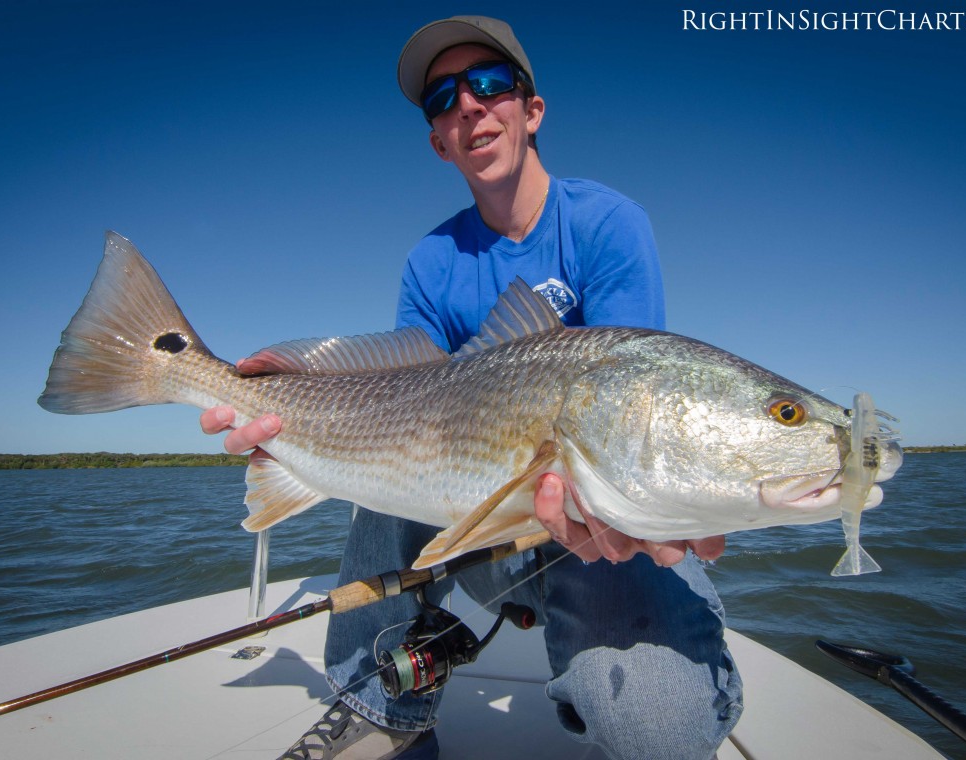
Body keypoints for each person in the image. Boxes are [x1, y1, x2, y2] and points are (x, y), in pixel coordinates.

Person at [202, 16, 743, 760]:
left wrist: (634, 504)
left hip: (598, 535)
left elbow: (630, 388)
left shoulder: (608, 224)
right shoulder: (432, 260)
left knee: (659, 734)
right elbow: (401, 393)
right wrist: (288, 416)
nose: (469, 106)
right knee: (386, 473)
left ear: (532, 109)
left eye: (490, 85)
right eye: (443, 99)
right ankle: (380, 704)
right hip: (480, 527)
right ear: (437, 139)